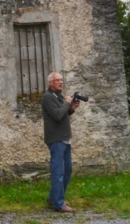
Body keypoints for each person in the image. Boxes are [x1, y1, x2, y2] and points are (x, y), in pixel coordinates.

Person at [41, 71, 80, 213]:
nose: (60, 82)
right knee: (58, 171)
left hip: (64, 139)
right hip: (56, 139)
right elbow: (57, 115)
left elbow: (62, 113)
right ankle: (59, 204)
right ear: (50, 82)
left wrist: (71, 109)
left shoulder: (58, 96)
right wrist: (66, 103)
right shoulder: (47, 97)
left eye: (61, 80)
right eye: (57, 80)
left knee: (67, 169)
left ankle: (54, 197)